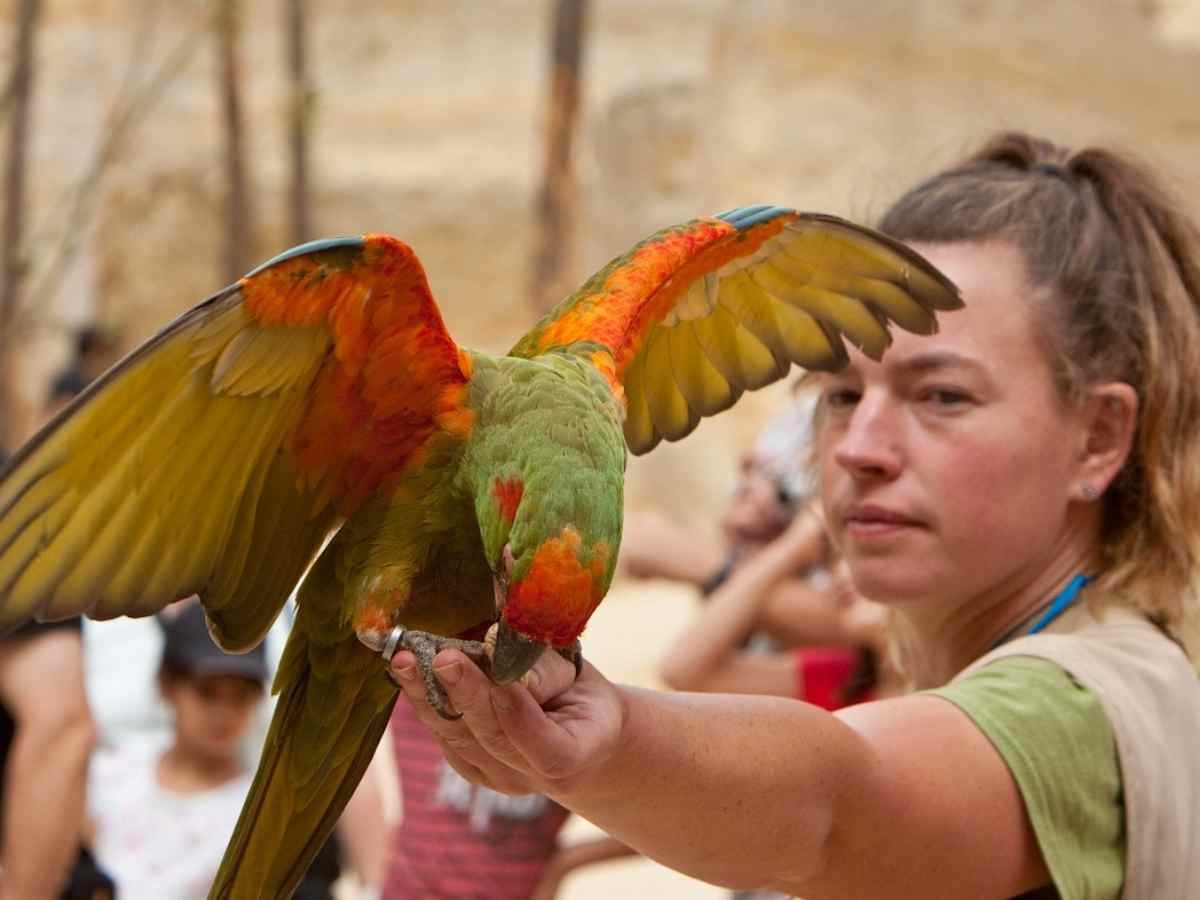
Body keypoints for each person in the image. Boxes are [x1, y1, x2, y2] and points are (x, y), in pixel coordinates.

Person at [390, 131, 1200, 899]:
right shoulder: (965, 669)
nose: (859, 447)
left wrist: (610, 741)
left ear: (1100, 438)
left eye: (943, 396)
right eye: (842, 395)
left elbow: (836, 804)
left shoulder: (1093, 696)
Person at [87, 602, 269, 900]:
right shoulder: (109, 774)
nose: (224, 713)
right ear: (166, 685)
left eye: (241, 697)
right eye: (207, 693)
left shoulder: (258, 811)